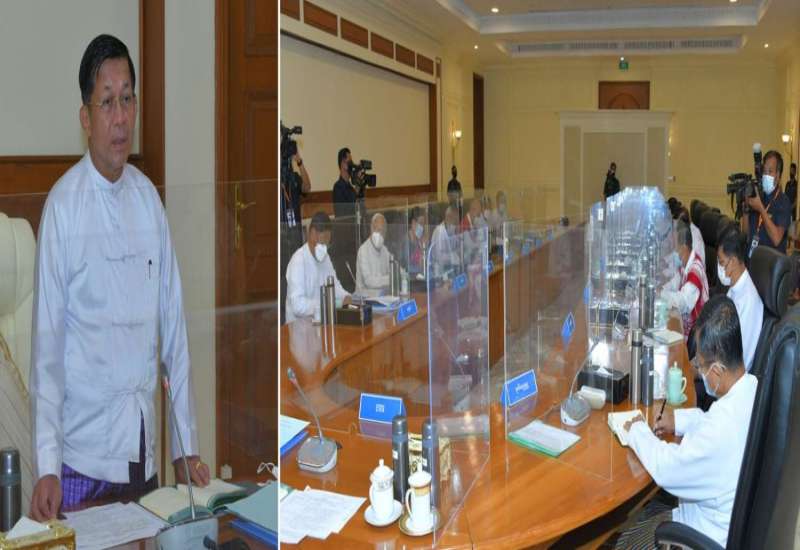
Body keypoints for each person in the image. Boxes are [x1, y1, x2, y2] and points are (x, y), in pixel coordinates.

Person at [30, 35, 209, 521]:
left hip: (141, 449)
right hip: (80, 458)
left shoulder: (149, 200)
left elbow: (175, 333)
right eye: (107, 102)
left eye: (127, 99)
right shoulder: (63, 207)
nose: (121, 117)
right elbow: (47, 350)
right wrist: (46, 464)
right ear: (86, 119)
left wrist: (186, 445)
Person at [616, 295, 758, 549]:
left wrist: (636, 429)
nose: (699, 372)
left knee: (625, 542)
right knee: (641, 520)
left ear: (717, 370)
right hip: (722, 518)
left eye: (701, 366)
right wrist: (678, 420)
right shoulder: (753, 389)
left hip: (698, 536)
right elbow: (712, 422)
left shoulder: (719, 430)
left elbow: (666, 468)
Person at [285, 212, 351, 322]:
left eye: (327, 243)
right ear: (312, 234)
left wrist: (346, 297)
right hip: (299, 326)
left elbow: (334, 285)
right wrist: (328, 304)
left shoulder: (325, 257)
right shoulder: (298, 260)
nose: (325, 247)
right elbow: (297, 305)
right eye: (323, 242)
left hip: (321, 320)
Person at [717, 228, 763, 372]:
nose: (719, 267)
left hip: (730, 376)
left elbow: (740, 362)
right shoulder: (735, 288)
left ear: (733, 261)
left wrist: (706, 371)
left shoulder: (748, 301)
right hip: (719, 360)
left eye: (721, 262)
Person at [663, 221, 709, 340]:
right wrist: (662, 289)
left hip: (695, 334)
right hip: (683, 322)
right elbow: (674, 283)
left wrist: (662, 296)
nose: (674, 251)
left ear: (684, 248)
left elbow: (683, 302)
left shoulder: (695, 271)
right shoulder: (685, 264)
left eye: (675, 248)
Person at [280, 149, 311, 323]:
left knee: (298, 275)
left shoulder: (294, 178)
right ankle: (285, 318)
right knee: (284, 280)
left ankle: (298, 313)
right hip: (282, 237)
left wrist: (299, 162)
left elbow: (307, 187)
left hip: (295, 235)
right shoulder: (279, 179)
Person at [741, 150, 791, 255]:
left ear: (778, 175)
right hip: (752, 260)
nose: (765, 175)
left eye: (770, 171)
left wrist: (761, 209)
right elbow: (746, 235)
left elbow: (776, 239)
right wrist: (745, 210)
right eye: (764, 171)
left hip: (770, 262)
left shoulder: (783, 201)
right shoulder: (757, 195)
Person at [355, 213, 392, 297]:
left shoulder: (384, 250)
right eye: (378, 230)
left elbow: (394, 267)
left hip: (383, 297)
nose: (380, 234)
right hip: (364, 299)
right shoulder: (363, 250)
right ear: (371, 229)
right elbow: (369, 281)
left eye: (383, 232)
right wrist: (390, 279)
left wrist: (401, 274)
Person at [332, 147, 359, 220]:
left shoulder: (351, 188)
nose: (352, 165)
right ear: (343, 164)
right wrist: (356, 191)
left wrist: (359, 186)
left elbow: (359, 209)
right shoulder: (338, 187)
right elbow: (343, 215)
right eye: (350, 162)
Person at [407, 208, 428, 274]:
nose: (422, 227)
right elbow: (405, 267)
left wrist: (423, 248)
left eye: (424, 224)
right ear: (413, 223)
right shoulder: (406, 242)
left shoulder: (419, 240)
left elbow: (423, 265)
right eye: (421, 223)